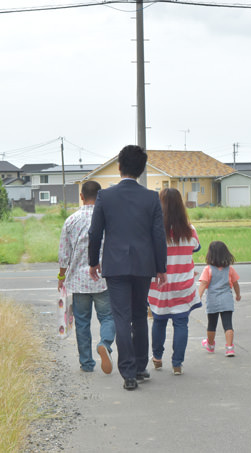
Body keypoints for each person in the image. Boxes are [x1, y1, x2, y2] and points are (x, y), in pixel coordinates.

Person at [88, 145, 168, 391]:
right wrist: (161, 267)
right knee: (139, 315)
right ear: (142, 170)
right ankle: (141, 367)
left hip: (115, 265)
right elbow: (158, 235)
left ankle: (129, 373)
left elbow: (95, 232)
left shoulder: (105, 196)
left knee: (121, 316)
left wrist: (93, 262)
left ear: (119, 166)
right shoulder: (151, 197)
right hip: (144, 265)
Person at [58, 181, 115, 374]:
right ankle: (105, 343)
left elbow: (64, 253)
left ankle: (86, 363)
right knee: (108, 317)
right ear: (100, 196)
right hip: (103, 279)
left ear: (81, 196)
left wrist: (61, 276)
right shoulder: (108, 218)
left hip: (78, 281)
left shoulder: (71, 220)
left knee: (82, 322)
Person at [147, 188, 202, 375]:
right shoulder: (189, 230)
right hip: (183, 285)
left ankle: (157, 357)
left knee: (159, 322)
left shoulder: (154, 230)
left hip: (159, 286)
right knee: (181, 323)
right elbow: (195, 248)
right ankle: (177, 364)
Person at [197, 241, 241, 357]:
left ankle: (210, 345)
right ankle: (230, 348)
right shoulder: (230, 269)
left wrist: (198, 298)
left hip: (213, 300)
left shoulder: (208, 269)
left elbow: (203, 284)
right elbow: (236, 283)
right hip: (227, 299)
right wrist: (238, 295)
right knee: (228, 324)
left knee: (212, 324)